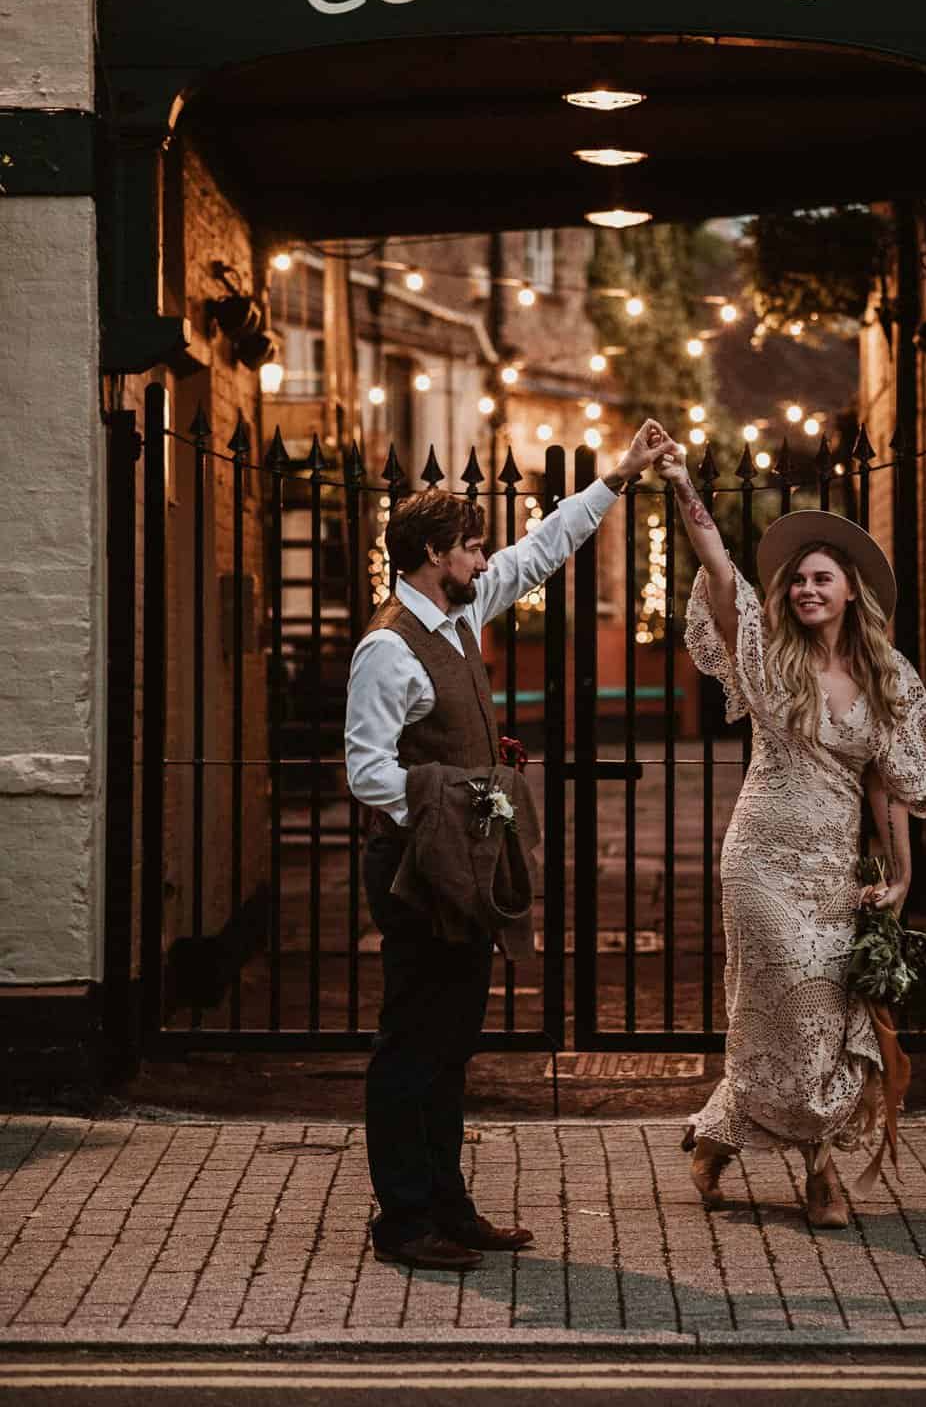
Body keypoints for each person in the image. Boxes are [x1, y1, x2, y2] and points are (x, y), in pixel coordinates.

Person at [345, 418, 668, 1273]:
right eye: (470, 548)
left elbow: (540, 550)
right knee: (411, 1041)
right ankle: (402, 1222)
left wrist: (619, 477)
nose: (485, 560)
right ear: (428, 554)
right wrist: (456, 800)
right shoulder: (388, 647)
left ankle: (448, 1207)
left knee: (452, 1041)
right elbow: (367, 773)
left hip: (462, 860)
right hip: (418, 867)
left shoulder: (457, 615)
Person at [653, 439, 926, 1230]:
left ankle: (715, 1137)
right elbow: (719, 571)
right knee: (785, 1012)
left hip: (835, 868)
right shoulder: (770, 655)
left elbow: (892, 784)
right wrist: (681, 486)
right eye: (798, 579)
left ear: (849, 593)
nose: (806, 589)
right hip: (762, 861)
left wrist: (902, 879)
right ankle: (819, 1176)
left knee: (824, 1018)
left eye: (821, 579)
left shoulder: (887, 674)